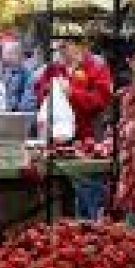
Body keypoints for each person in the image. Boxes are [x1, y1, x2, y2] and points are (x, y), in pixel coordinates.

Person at [34, 31, 113, 220]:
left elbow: (100, 100)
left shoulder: (96, 67)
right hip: (57, 143)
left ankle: (90, 227)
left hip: (88, 141)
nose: (61, 50)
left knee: (88, 196)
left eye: (65, 45)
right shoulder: (54, 68)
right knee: (60, 196)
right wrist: (51, 89)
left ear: (80, 46)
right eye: (59, 46)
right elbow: (39, 92)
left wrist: (72, 92)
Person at [1, 41, 36, 112]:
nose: (5, 57)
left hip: (16, 114)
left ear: (18, 55)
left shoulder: (26, 74)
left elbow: (27, 101)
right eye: (5, 53)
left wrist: (15, 109)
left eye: (9, 53)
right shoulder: (2, 73)